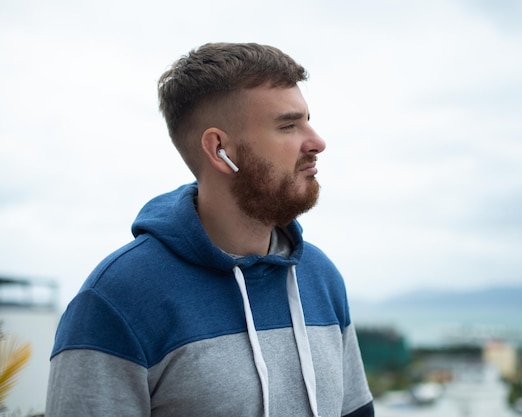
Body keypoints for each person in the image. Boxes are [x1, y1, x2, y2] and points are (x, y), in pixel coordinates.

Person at [46, 42, 374, 417]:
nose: (317, 142)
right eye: (288, 125)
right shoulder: (116, 300)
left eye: (307, 122)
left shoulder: (319, 276)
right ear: (220, 149)